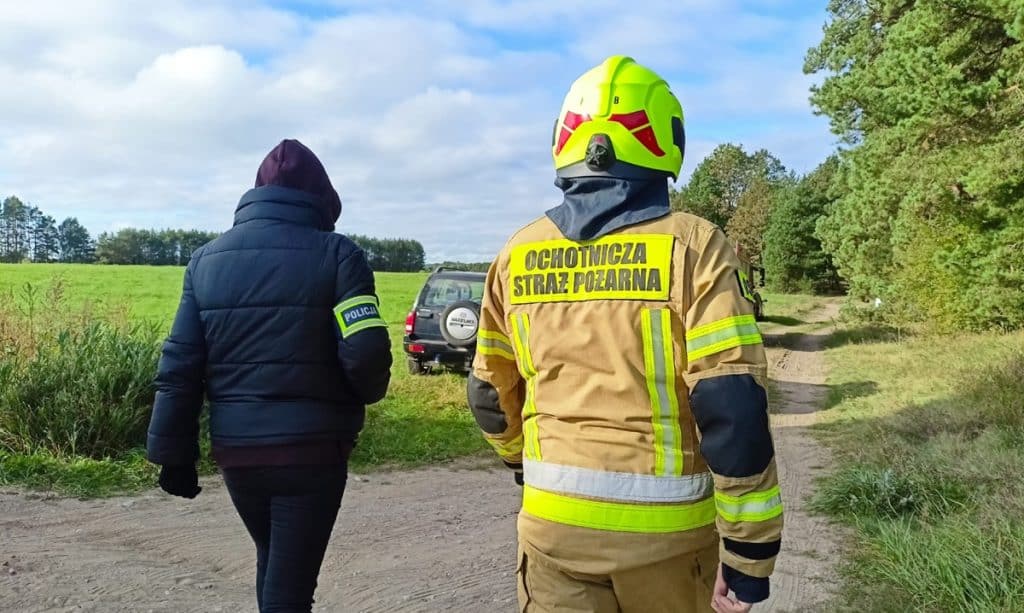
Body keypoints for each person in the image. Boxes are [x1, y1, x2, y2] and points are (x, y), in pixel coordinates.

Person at [467, 56, 782, 613]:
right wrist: (748, 558)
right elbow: (731, 402)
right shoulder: (694, 247)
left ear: (566, 142)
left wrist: (524, 463)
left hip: (551, 528)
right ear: (663, 139)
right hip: (667, 544)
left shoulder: (516, 254)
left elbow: (490, 394)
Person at [146, 139, 392, 612]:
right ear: (323, 197)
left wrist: (173, 455)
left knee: (275, 563)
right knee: (290, 588)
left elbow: (179, 366)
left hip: (238, 454)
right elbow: (364, 351)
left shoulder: (205, 260)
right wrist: (366, 393)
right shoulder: (339, 255)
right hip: (313, 453)